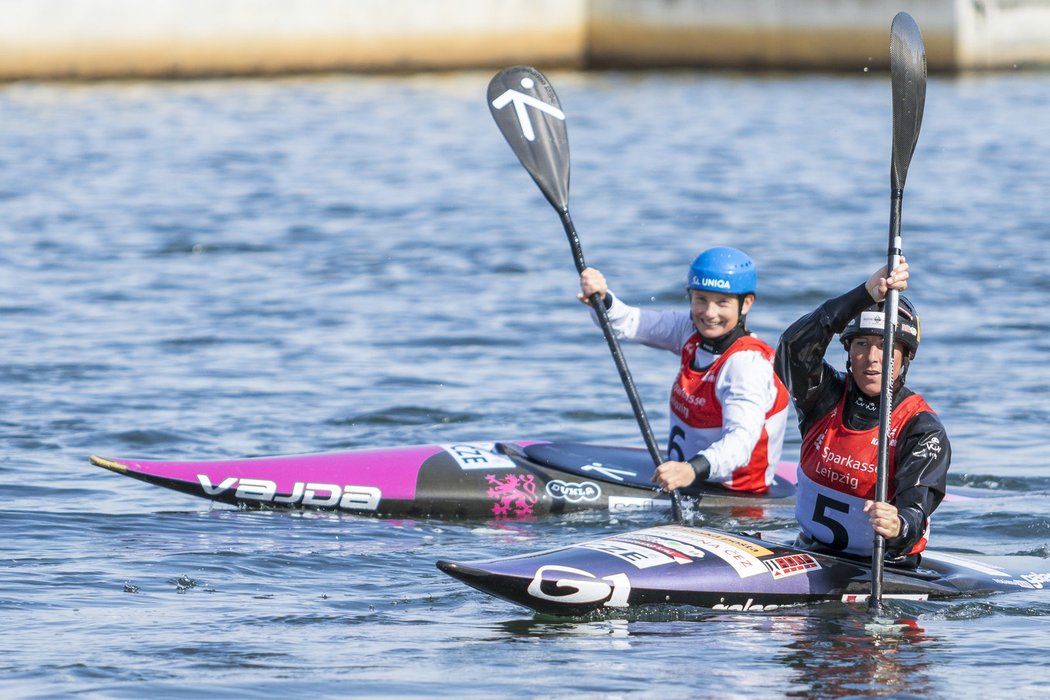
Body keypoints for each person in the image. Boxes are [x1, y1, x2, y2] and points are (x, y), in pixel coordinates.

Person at [775, 259, 950, 565]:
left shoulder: (921, 428)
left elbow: (916, 508)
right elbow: (792, 350)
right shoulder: (823, 397)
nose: (871, 358)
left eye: (885, 346)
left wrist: (898, 524)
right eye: (861, 344)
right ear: (848, 350)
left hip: (884, 568)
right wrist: (866, 294)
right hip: (811, 552)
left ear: (905, 356)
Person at [578, 246, 789, 494]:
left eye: (722, 303)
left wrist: (690, 469)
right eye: (701, 299)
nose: (709, 313)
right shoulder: (688, 329)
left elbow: (740, 444)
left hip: (734, 500)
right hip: (684, 478)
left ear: (746, 304)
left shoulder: (746, 366)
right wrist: (602, 299)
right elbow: (629, 324)